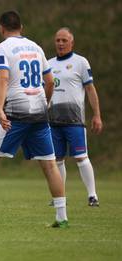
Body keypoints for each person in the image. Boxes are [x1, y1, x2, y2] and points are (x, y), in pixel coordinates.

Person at [0, 11, 69, 229]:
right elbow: (50, 81)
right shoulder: (36, 47)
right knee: (50, 165)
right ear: (21, 27)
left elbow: (3, 76)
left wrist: (0, 108)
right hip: (39, 112)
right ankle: (62, 217)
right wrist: (44, 102)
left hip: (16, 113)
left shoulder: (2, 48)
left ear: (1, 28)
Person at [48, 27, 103, 206]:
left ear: (72, 42)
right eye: (58, 40)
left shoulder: (80, 62)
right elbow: (44, 91)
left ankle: (92, 196)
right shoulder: (48, 64)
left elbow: (90, 89)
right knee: (57, 160)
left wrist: (97, 115)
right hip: (53, 120)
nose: (61, 43)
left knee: (81, 157)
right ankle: (59, 196)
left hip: (74, 121)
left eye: (64, 40)